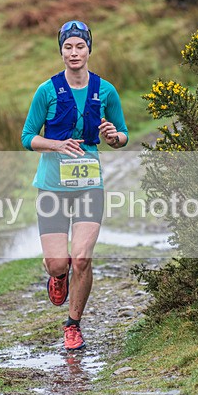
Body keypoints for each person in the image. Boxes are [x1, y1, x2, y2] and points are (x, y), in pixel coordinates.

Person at [21, 20, 129, 351]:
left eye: (79, 46)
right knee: (60, 262)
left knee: (81, 257)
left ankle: (73, 325)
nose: (74, 52)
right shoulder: (47, 91)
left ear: (89, 49)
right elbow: (27, 138)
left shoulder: (105, 90)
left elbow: (122, 136)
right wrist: (56, 145)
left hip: (88, 186)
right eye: (67, 47)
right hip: (52, 188)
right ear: (61, 52)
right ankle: (57, 275)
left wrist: (114, 137)